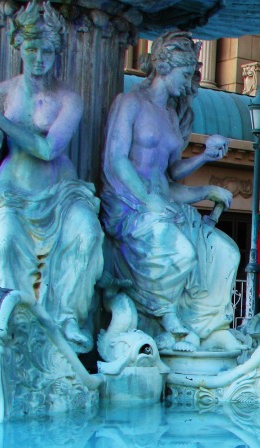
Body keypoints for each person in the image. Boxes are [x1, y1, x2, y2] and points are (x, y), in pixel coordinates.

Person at [102, 30, 240, 352]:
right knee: (182, 253)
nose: (188, 82)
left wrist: (205, 163)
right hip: (132, 205)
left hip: (165, 203)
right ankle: (168, 320)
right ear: (165, 66)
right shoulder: (131, 103)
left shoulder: (170, 116)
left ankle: (211, 326)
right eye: (186, 74)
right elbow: (117, 158)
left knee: (225, 252)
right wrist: (147, 200)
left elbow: (170, 173)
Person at [0, 0, 104, 352]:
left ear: (57, 53)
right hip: (14, 191)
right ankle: (16, 318)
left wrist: (2, 122)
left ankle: (69, 317)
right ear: (18, 47)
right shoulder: (3, 92)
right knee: (4, 240)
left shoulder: (69, 99)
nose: (39, 58)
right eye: (32, 49)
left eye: (47, 50)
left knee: (87, 232)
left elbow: (48, 150)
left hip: (61, 192)